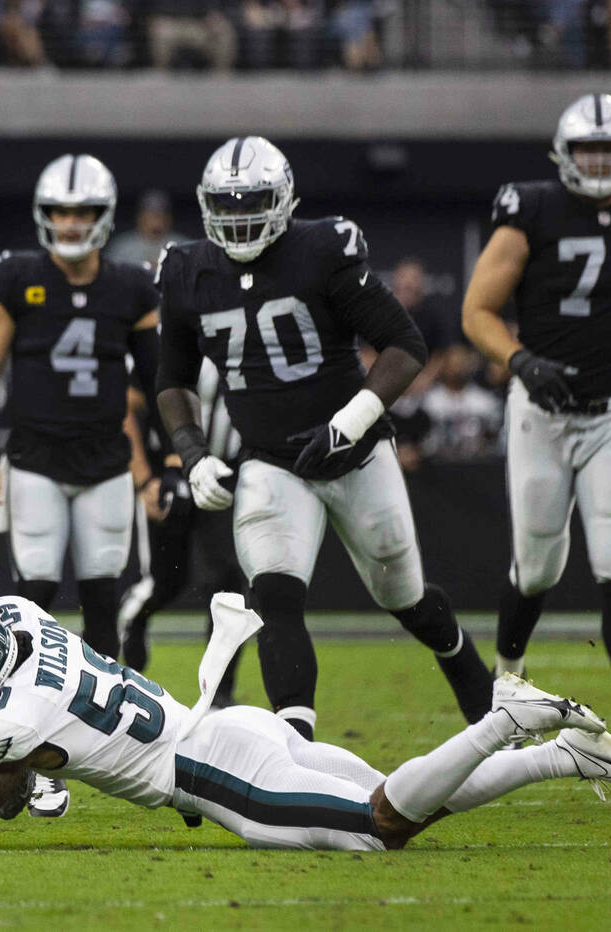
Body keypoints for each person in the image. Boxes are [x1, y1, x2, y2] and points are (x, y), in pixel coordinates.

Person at [156, 136, 495, 742]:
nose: (238, 217)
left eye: (252, 202)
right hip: (271, 461)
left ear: (284, 199)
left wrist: (352, 420)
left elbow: (405, 343)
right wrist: (193, 454)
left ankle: (471, 673)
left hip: (354, 451)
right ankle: (297, 751)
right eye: (225, 205)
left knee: (405, 596)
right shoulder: (187, 270)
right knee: (273, 597)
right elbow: (172, 379)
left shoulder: (321, 249)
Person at [0, 596, 611, 850]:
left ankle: (505, 721)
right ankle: (570, 756)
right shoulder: (19, 617)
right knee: (419, 799)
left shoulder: (4, 727)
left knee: (382, 824)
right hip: (236, 724)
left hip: (216, 775)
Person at [461, 94, 611, 762]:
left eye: (609, 151)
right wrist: (520, 359)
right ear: (563, 157)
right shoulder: (532, 209)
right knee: (537, 565)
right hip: (542, 411)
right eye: (587, 151)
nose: (598, 164)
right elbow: (477, 309)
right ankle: (504, 682)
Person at [0, 153, 167, 816]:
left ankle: (96, 742)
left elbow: (160, 384)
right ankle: (31, 749)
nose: (71, 222)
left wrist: (159, 462)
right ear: (43, 216)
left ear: (105, 217)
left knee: (104, 602)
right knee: (36, 601)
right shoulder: (16, 277)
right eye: (60, 211)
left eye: (82, 211)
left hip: (107, 463)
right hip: (36, 461)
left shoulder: (133, 287)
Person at [118, 356, 246, 707]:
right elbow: (127, 409)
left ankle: (220, 693)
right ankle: (130, 640)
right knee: (163, 582)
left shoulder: (249, 335)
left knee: (229, 583)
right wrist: (144, 478)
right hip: (170, 476)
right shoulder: (169, 338)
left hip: (229, 474)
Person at [105, 189, 188, 271]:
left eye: (160, 216)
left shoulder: (182, 246)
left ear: (169, 219)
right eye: (151, 216)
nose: (156, 221)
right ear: (140, 218)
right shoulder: (121, 247)